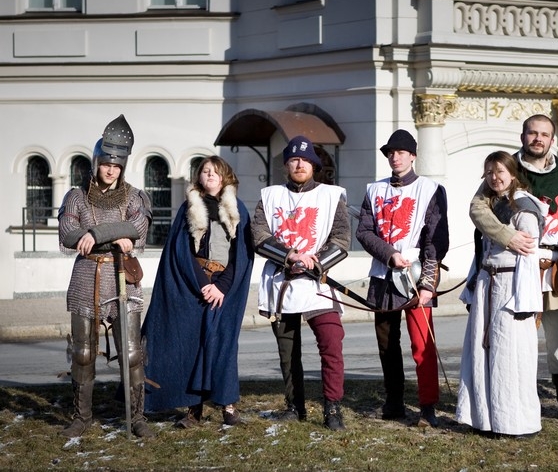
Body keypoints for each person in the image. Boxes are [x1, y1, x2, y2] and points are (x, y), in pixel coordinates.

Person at [469, 113, 558, 419]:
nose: (537, 139)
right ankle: (514, 400)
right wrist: (507, 235)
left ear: (552, 140)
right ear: (523, 136)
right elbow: (477, 208)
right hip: (515, 267)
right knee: (514, 339)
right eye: (532, 133)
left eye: (544, 134)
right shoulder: (505, 169)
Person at [58, 115, 154, 438]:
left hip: (122, 275)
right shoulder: (76, 196)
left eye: (117, 165)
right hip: (87, 275)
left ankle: (137, 417)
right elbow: (69, 233)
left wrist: (96, 232)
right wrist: (115, 234)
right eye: (106, 164)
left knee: (131, 353)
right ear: (97, 161)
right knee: (83, 354)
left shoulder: (134, 196)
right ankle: (81, 417)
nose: (111, 170)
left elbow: (138, 227)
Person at [141, 156, 254, 428]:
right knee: (192, 345)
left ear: (225, 176)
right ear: (199, 177)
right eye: (205, 171)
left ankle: (228, 406)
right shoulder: (189, 207)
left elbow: (242, 255)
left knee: (223, 345)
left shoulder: (237, 209)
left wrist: (222, 286)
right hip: (196, 285)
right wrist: (203, 283)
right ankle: (194, 410)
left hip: (224, 287)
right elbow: (180, 250)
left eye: (215, 171)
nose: (210, 175)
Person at [252, 135, 350, 431]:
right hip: (282, 283)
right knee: (288, 352)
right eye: (294, 159)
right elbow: (259, 235)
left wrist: (314, 261)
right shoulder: (269, 196)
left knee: (332, 345)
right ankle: (295, 407)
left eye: (305, 160)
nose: (299, 164)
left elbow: (342, 238)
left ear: (314, 165)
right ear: (286, 165)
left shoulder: (332, 196)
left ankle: (332, 408)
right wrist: (290, 255)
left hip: (317, 283)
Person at [356, 129, 449, 427]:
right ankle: (394, 401)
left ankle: (427, 406)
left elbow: (436, 239)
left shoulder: (430, 189)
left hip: (417, 275)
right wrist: (388, 254)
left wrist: (428, 284)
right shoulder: (374, 190)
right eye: (390, 153)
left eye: (400, 152)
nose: (394, 157)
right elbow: (365, 231)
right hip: (383, 275)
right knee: (387, 344)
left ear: (413, 155)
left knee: (422, 344)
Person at [456, 151, 547, 437]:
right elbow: (483, 244)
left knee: (510, 355)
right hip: (487, 282)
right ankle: (484, 418)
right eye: (490, 173)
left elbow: (529, 255)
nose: (495, 178)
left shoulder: (524, 207)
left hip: (511, 287)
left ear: (512, 173)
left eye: (500, 172)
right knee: (483, 352)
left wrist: (527, 299)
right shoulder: (490, 203)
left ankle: (515, 422)